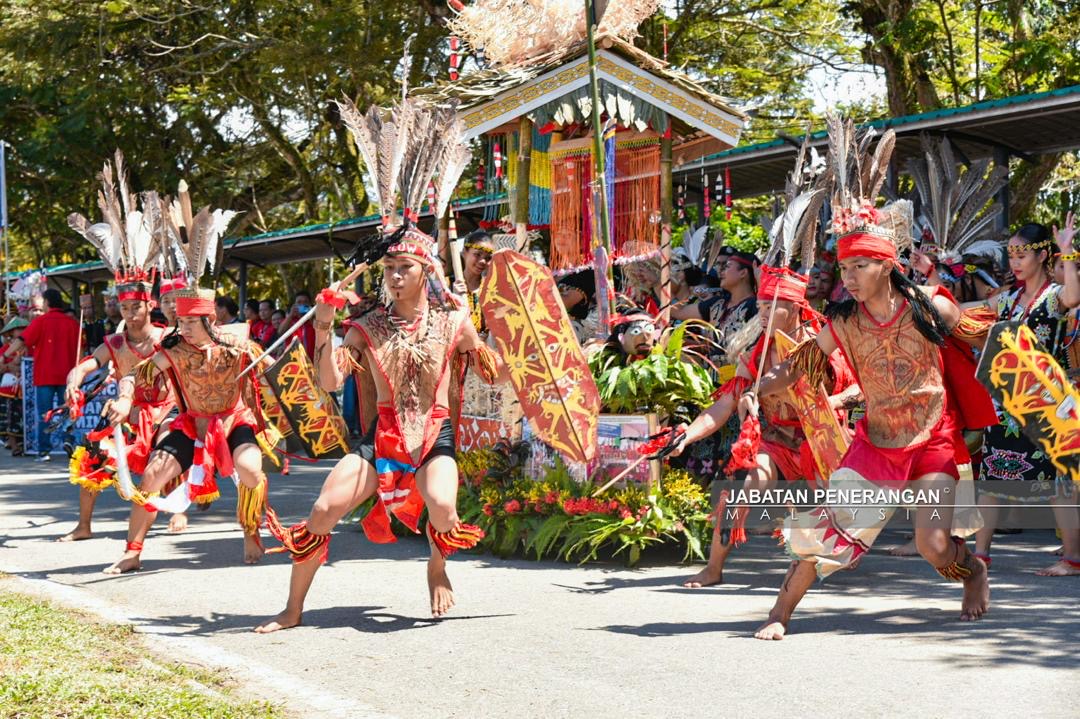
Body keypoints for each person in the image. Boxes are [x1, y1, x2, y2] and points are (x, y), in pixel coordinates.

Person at [746, 193, 994, 639]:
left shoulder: (931, 306)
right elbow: (799, 366)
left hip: (933, 439)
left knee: (934, 546)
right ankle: (780, 613)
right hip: (875, 444)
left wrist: (1028, 363)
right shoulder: (843, 322)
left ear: (887, 264)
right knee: (824, 531)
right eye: (844, 267)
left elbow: (988, 344)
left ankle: (972, 571)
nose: (849, 277)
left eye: (859, 265)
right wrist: (756, 387)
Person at [255, 227, 506, 632]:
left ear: (426, 270)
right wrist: (323, 327)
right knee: (322, 511)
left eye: (405, 267)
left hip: (433, 433)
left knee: (444, 511)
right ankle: (292, 609)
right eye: (389, 268)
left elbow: (494, 375)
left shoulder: (455, 321)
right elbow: (330, 381)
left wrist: (525, 346)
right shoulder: (365, 325)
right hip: (382, 436)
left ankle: (436, 565)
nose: (395, 276)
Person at [674, 266, 859, 588]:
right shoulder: (756, 356)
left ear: (796, 308)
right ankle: (713, 568)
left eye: (771, 307)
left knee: (835, 528)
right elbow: (724, 405)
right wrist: (685, 436)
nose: (762, 314)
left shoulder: (823, 346)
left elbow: (859, 389)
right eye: (760, 306)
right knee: (739, 490)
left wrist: (833, 403)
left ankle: (833, 550)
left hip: (822, 442)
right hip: (777, 442)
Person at [974, 217, 1080, 576]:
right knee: (991, 478)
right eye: (1011, 254)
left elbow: (1074, 297)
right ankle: (981, 555)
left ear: (1041, 255)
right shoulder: (1007, 301)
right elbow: (964, 313)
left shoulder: (1053, 296)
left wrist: (1067, 251)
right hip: (1005, 403)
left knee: (1057, 484)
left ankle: (1072, 559)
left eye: (1022, 254)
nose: (1015, 261)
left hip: (1046, 403)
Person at [58, 278, 174, 542]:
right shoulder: (114, 343)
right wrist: (72, 384)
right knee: (92, 457)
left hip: (166, 411)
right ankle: (83, 525)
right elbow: (84, 366)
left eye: (136, 307)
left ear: (150, 305)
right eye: (124, 308)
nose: (130, 314)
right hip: (126, 411)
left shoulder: (167, 338)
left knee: (169, 452)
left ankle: (178, 511)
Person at [21, 288, 80, 461]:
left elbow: (23, 340)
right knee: (68, 411)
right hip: (68, 376)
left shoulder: (41, 321)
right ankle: (68, 440)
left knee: (45, 414)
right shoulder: (73, 323)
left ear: (47, 302)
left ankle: (44, 451)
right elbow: (81, 350)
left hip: (45, 375)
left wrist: (6, 354)